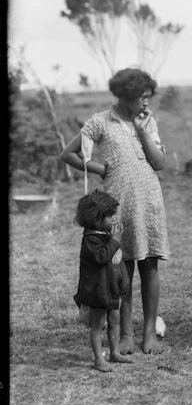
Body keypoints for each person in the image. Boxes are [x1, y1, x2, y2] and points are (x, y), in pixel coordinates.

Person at [61, 68, 170, 355]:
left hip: (148, 203)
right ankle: (125, 336)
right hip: (118, 206)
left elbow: (159, 163)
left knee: (150, 266)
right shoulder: (100, 122)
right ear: (125, 95)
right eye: (142, 98)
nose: (146, 103)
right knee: (121, 271)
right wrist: (99, 168)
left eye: (149, 97)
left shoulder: (148, 122)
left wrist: (145, 133)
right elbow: (68, 154)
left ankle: (149, 335)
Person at [73, 190, 131, 372]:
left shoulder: (106, 236)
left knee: (115, 320)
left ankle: (114, 352)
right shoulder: (91, 240)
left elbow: (117, 263)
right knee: (97, 325)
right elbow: (102, 257)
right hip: (97, 291)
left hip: (112, 289)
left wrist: (124, 282)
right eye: (109, 216)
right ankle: (99, 358)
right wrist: (115, 241)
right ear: (96, 219)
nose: (113, 220)